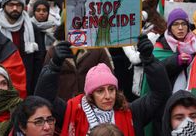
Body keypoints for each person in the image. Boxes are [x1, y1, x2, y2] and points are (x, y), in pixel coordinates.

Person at [35, 37, 171, 136]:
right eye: (100, 91)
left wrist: (149, 60)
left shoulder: (132, 112)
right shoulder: (72, 111)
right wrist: (54, 66)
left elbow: (161, 93)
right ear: (90, 94)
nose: (108, 96)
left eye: (111, 89)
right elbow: (44, 98)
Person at [0, 0, 46, 94]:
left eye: (18, 5)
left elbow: (38, 59)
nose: (15, 8)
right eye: (11, 5)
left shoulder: (32, 28)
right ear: (4, 6)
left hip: (26, 81)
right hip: (1, 81)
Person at [156, 9, 196, 93]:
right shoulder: (160, 45)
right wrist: (176, 61)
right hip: (169, 93)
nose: (180, 28)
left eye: (183, 24)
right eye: (175, 24)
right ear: (169, 28)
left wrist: (192, 60)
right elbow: (156, 70)